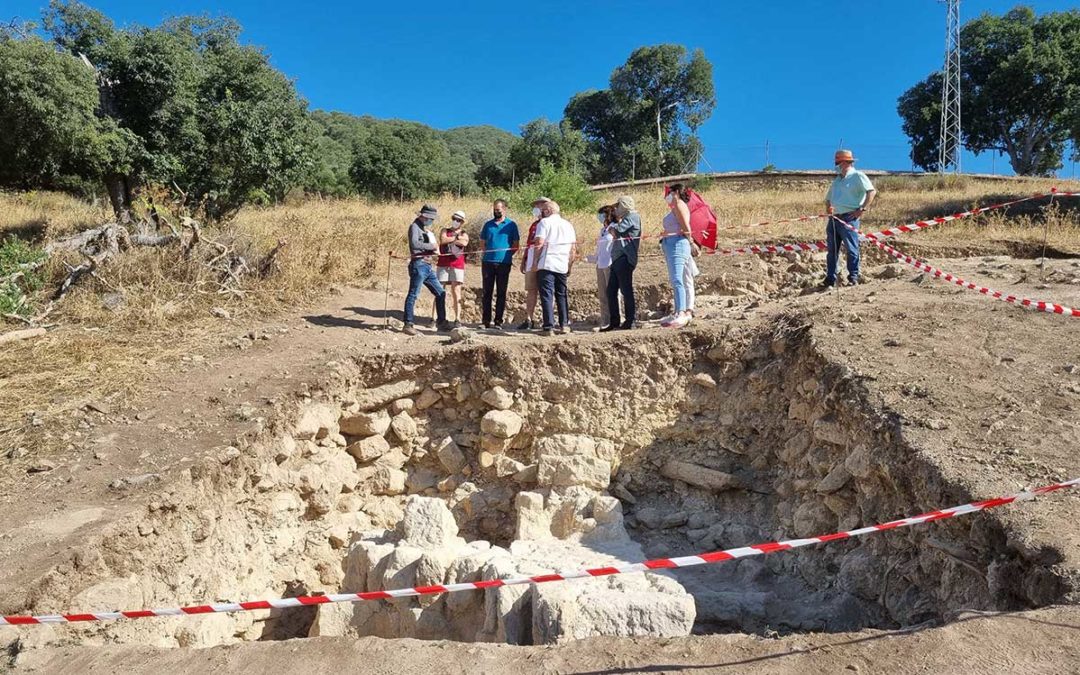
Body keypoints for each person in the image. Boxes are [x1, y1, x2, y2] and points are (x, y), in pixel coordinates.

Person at [824, 149, 876, 287]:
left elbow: (871, 192)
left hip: (849, 218)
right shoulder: (837, 180)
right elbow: (828, 199)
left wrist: (862, 209)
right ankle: (830, 278)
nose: (836, 165)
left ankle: (853, 276)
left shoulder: (858, 176)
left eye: (838, 162)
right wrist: (829, 208)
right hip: (834, 219)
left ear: (846, 162)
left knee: (851, 249)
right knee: (832, 251)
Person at [403, 204, 451, 336]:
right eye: (431, 218)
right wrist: (432, 246)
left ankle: (441, 322)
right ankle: (408, 324)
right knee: (413, 294)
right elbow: (414, 244)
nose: (432, 221)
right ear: (425, 217)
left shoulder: (422, 228)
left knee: (440, 292)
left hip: (427, 266)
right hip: (419, 265)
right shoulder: (414, 227)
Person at [531, 200, 577, 336]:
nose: (542, 212)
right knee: (561, 294)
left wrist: (535, 262)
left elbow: (539, 243)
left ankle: (548, 327)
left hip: (547, 263)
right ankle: (564, 325)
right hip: (562, 263)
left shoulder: (544, 223)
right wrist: (569, 265)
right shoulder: (568, 225)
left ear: (549, 211)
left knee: (547, 294)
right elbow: (573, 248)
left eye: (544, 210)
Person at [479, 199, 519, 329]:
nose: (496, 212)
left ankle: (498, 321)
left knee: (501, 292)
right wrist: (488, 254)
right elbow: (482, 242)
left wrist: (507, 256)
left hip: (504, 263)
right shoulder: (488, 225)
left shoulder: (511, 225)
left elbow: (515, 244)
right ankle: (485, 321)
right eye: (495, 209)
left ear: (504, 209)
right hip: (488, 263)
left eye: (499, 210)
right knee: (487, 292)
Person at [602, 195, 641, 331]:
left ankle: (630, 321)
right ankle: (615, 321)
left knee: (626, 290)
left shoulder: (632, 216)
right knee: (611, 291)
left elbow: (616, 231)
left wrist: (613, 227)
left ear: (624, 206)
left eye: (618, 206)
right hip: (618, 258)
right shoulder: (627, 218)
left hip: (625, 257)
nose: (616, 209)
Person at [660, 184, 694, 328]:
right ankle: (678, 311)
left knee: (677, 279)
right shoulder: (675, 207)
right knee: (676, 279)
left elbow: (686, 227)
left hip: (677, 245)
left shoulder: (680, 205)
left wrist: (691, 241)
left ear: (677, 193)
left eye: (671, 192)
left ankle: (681, 313)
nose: (668, 195)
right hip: (671, 243)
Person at [517, 197, 548, 330]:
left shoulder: (549, 223)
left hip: (544, 258)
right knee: (531, 289)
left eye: (539, 205)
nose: (536, 208)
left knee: (546, 289)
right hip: (531, 257)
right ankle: (529, 319)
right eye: (535, 205)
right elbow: (529, 243)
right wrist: (524, 259)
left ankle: (547, 320)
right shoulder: (534, 225)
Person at [435, 210, 469, 324]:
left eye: (458, 220)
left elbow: (464, 243)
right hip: (443, 263)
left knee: (456, 291)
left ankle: (457, 318)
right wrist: (456, 239)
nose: (455, 221)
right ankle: (434, 317)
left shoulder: (464, 233)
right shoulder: (445, 230)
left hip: (457, 264)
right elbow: (443, 239)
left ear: (462, 222)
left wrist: (454, 239)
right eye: (454, 219)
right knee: (439, 290)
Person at [588, 203, 617, 329]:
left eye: (601, 214)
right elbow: (601, 249)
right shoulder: (602, 231)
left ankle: (616, 319)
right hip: (600, 264)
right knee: (602, 295)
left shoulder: (615, 227)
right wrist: (593, 258)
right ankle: (605, 321)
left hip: (610, 264)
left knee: (613, 293)